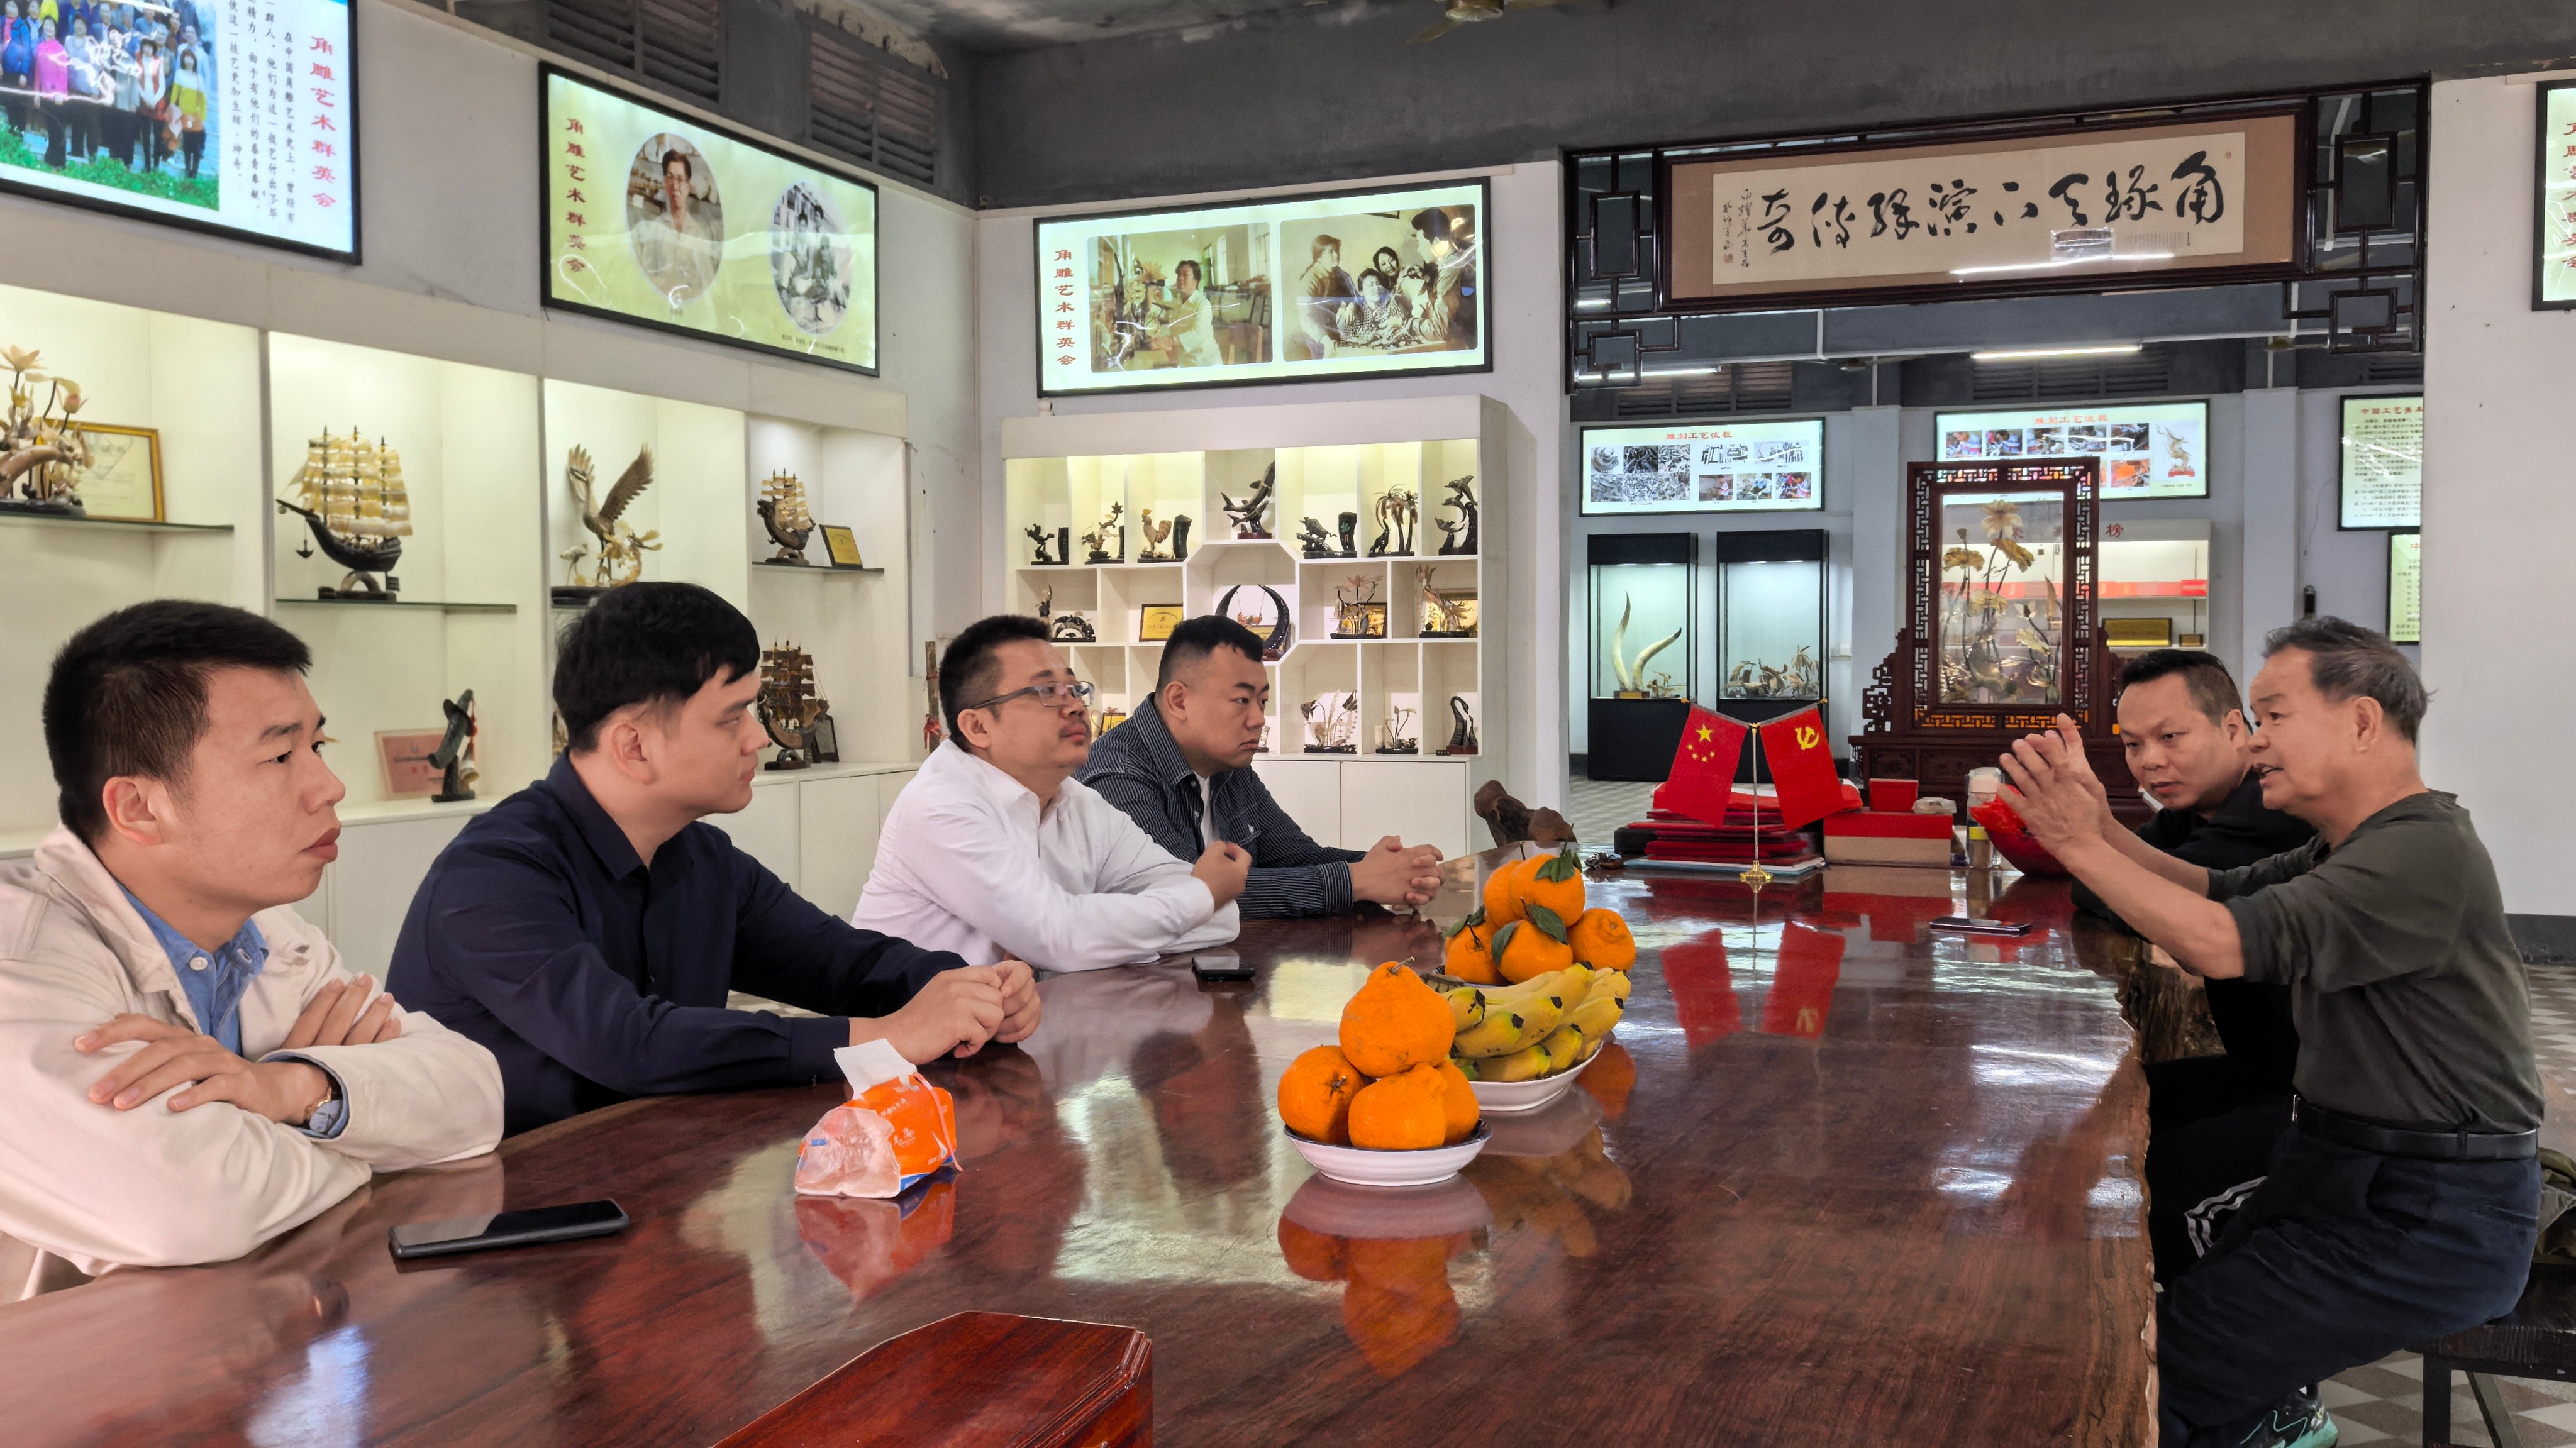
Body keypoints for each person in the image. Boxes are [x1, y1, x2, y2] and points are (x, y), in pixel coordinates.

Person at [1996, 617, 2541, 1448]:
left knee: (2136, 1382)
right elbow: (2215, 891)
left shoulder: (2422, 852)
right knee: (2167, 1357)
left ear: (2361, 721)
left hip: (2430, 1213)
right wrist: (2098, 826)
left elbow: (2218, 942)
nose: (2254, 741)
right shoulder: (2348, 843)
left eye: (2274, 716)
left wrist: (2073, 840)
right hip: (2339, 1171)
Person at [389, 584, 1035, 1137]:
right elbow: (629, 1043)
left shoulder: (699, 856)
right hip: (491, 1220)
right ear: (634, 746)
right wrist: (884, 1036)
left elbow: (840, 961)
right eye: (732, 717)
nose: (759, 737)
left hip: (650, 1185)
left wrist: (973, 992)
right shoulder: (493, 874)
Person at [0, 602, 504, 1302]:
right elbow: (195, 1209)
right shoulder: (21, 966)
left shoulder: (266, 928)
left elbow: (475, 1096)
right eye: (280, 756)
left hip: (256, 1328)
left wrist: (290, 1088)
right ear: (139, 807)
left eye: (319, 745)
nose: (330, 786)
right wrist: (364, 1137)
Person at [2080, 649, 2318, 1285]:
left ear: (2235, 728)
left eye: (2170, 737)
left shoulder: (2273, 812)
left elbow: (2148, 904)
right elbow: (2106, 880)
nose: (2149, 760)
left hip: (2318, 1097)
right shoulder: (2198, 813)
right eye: (2133, 744)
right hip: (2265, 1067)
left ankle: (2206, 1326)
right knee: (2107, 1114)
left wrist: (2093, 850)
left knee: (2149, 1178)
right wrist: (2092, 845)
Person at [855, 614, 1248, 972]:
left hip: (1030, 1018)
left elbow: (1222, 917)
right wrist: (1073, 940)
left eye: (1075, 689)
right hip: (907, 1027)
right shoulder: (941, 805)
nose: (1075, 706)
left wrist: (1083, 940)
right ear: (978, 727)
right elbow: (1062, 938)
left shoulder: (1077, 801)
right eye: (1046, 690)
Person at [1079, 616, 1445, 919]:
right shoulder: (1117, 774)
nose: (1258, 719)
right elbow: (1188, 894)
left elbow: (1297, 856)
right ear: (1179, 700)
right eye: (1242, 700)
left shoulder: (1229, 765)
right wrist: (1357, 881)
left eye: (1263, 701)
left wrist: (1398, 871)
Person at [629, 146, 721, 304]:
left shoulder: (699, 233)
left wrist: (690, 294)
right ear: (665, 182)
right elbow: (644, 277)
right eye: (670, 178)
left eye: (680, 179)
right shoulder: (655, 229)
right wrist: (664, 285)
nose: (675, 185)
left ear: (688, 185)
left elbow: (709, 285)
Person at [1152, 257, 1221, 368]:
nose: (1180, 278)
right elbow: (1158, 312)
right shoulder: (1176, 304)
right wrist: (1148, 292)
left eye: (1185, 275)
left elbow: (1198, 334)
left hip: (1206, 365)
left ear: (1196, 280)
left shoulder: (1203, 304)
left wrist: (1170, 341)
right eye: (1179, 275)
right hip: (1186, 364)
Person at [1295, 233, 1355, 359]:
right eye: (1331, 252)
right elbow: (1305, 318)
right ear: (1319, 256)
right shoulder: (1310, 280)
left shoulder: (1340, 274)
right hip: (1315, 335)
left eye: (1337, 250)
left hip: (1333, 329)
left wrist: (1351, 306)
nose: (1336, 255)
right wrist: (1325, 340)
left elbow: (1353, 295)